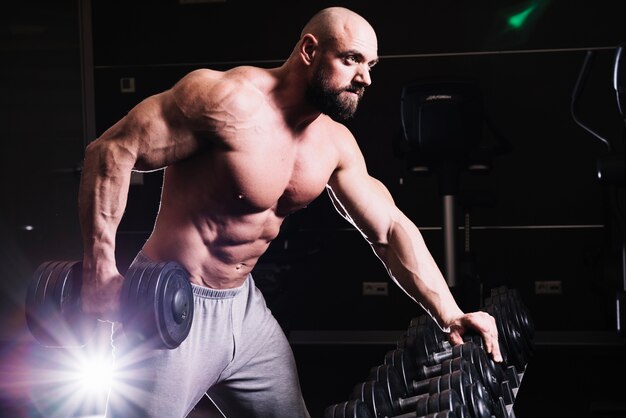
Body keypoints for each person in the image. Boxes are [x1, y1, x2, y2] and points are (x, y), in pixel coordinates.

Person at [78, 6, 502, 418]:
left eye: (371, 65)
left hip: (245, 313)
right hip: (169, 308)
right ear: (309, 50)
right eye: (352, 59)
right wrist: (100, 272)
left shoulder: (333, 143)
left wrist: (450, 312)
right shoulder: (225, 101)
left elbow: (389, 228)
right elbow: (111, 150)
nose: (365, 78)